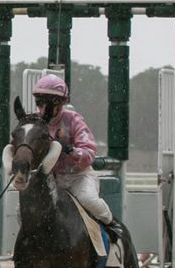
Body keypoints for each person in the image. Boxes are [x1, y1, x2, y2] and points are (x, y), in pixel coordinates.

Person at [31, 73, 121, 242]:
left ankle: (112, 224)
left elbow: (89, 153)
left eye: (47, 104)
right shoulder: (35, 122)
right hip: (51, 180)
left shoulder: (73, 120)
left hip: (78, 177)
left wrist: (71, 150)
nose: (42, 109)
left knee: (89, 199)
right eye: (39, 103)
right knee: (24, 208)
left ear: (59, 104)